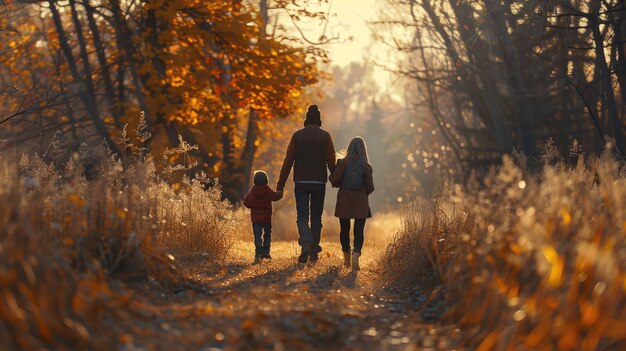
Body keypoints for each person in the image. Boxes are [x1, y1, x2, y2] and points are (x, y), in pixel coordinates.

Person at [276, 104, 336, 264]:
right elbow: (331, 161)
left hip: (301, 181)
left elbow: (287, 161)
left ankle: (307, 246)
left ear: (306, 119)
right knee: (316, 217)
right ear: (319, 121)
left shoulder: (297, 136)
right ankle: (313, 250)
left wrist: (280, 185)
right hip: (318, 181)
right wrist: (336, 179)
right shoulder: (325, 136)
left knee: (302, 216)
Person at [329, 137, 375, 270]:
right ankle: (356, 254)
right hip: (360, 201)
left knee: (344, 230)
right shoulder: (366, 166)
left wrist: (333, 174)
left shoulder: (343, 162)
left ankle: (347, 258)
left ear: (349, 147)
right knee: (359, 231)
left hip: (344, 199)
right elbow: (370, 187)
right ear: (364, 150)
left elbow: (334, 180)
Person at [243, 170, 283, 262]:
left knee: (257, 236)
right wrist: (280, 192)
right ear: (266, 180)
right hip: (266, 219)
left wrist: (253, 205)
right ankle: (266, 252)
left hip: (256, 220)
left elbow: (246, 202)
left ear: (255, 180)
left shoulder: (252, 191)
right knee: (267, 235)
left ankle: (258, 253)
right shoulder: (267, 190)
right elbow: (275, 197)